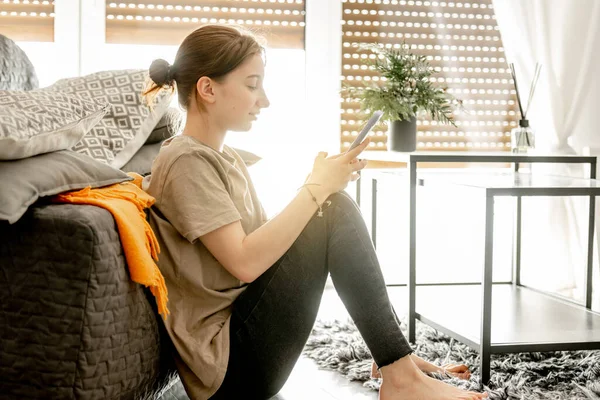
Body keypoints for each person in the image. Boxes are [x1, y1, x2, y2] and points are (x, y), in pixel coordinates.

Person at [142, 24, 488, 400]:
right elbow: (244, 263)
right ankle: (399, 374)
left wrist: (316, 187)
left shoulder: (221, 158)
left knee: (328, 207)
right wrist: (316, 189)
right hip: (228, 368)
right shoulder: (185, 160)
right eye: (252, 85)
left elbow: (265, 252)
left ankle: (393, 358)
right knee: (331, 207)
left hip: (241, 341)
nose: (264, 100)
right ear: (208, 89)